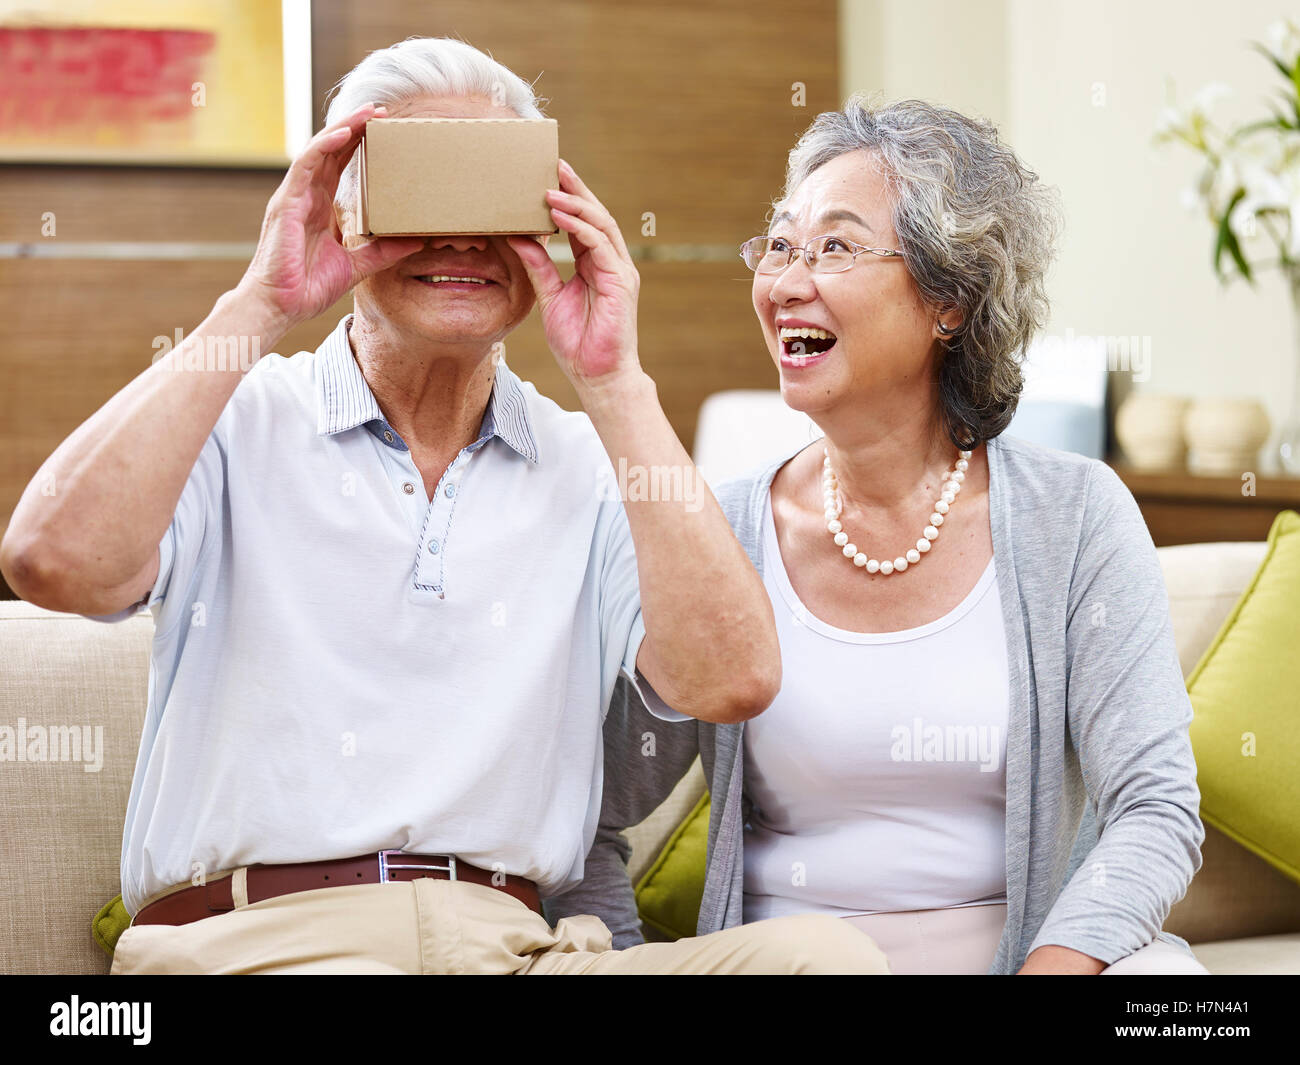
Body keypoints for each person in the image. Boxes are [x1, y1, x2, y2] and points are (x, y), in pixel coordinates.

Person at [0, 38, 888, 975]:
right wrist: (259, 302)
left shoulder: (590, 463)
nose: (463, 238)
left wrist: (614, 378)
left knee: (823, 959)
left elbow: (731, 680)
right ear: (347, 211)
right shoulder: (231, 416)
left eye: (495, 198)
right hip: (261, 947)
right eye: (426, 193)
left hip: (518, 945)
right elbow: (51, 561)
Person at [550, 94, 1209, 975]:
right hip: (798, 966)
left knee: (1187, 1002)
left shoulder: (1076, 517)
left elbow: (1155, 808)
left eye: (835, 247)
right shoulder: (724, 533)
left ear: (950, 299)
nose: (786, 283)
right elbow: (584, 819)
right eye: (781, 245)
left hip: (1023, 969)